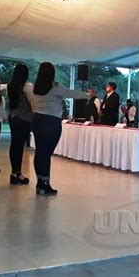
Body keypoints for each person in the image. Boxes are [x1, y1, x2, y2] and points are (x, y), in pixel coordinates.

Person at [31, 62, 88, 196]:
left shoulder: (35, 87)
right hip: (51, 122)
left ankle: (40, 182)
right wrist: (87, 95)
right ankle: (45, 185)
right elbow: (71, 93)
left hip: (37, 119)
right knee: (46, 154)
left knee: (40, 152)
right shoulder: (54, 88)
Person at [7, 64, 33, 185]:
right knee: (20, 147)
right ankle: (18, 174)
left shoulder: (10, 86)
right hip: (24, 119)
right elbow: (32, 103)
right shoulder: (27, 86)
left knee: (14, 145)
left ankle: (14, 172)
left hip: (13, 117)